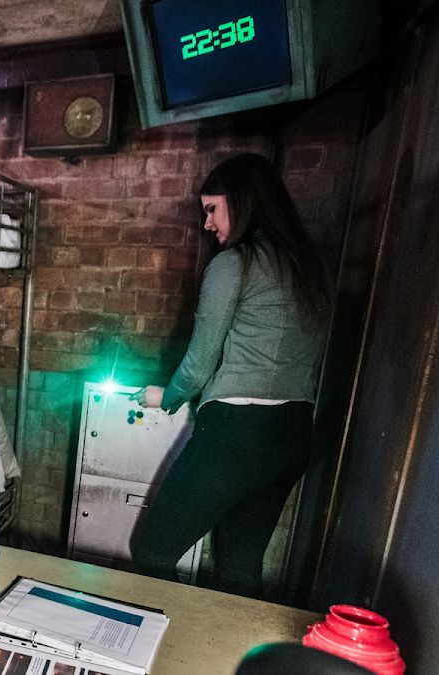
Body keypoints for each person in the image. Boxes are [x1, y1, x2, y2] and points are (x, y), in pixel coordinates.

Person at [129, 153, 330, 599]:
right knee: (239, 569)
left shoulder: (234, 264)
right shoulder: (307, 266)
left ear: (241, 202)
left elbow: (200, 362)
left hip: (237, 434)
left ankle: (165, 639)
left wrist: (167, 397)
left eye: (211, 210)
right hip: (295, 435)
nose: (207, 224)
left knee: (152, 552)